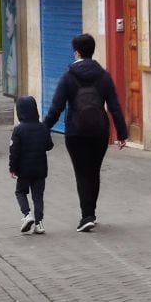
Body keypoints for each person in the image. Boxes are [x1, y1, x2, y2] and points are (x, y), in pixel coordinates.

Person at [43, 33, 127, 232]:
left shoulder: (68, 77)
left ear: (77, 52)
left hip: (75, 132)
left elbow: (56, 107)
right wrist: (122, 134)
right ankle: (92, 213)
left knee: (81, 173)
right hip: (100, 132)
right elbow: (114, 106)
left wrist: (44, 128)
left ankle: (86, 216)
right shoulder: (104, 76)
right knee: (94, 172)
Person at [9, 95, 53, 235]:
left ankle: (27, 215)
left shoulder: (18, 130)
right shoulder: (43, 127)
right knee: (38, 196)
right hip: (40, 169)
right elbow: (49, 145)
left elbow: (14, 152)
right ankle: (39, 224)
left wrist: (12, 168)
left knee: (20, 192)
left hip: (24, 169)